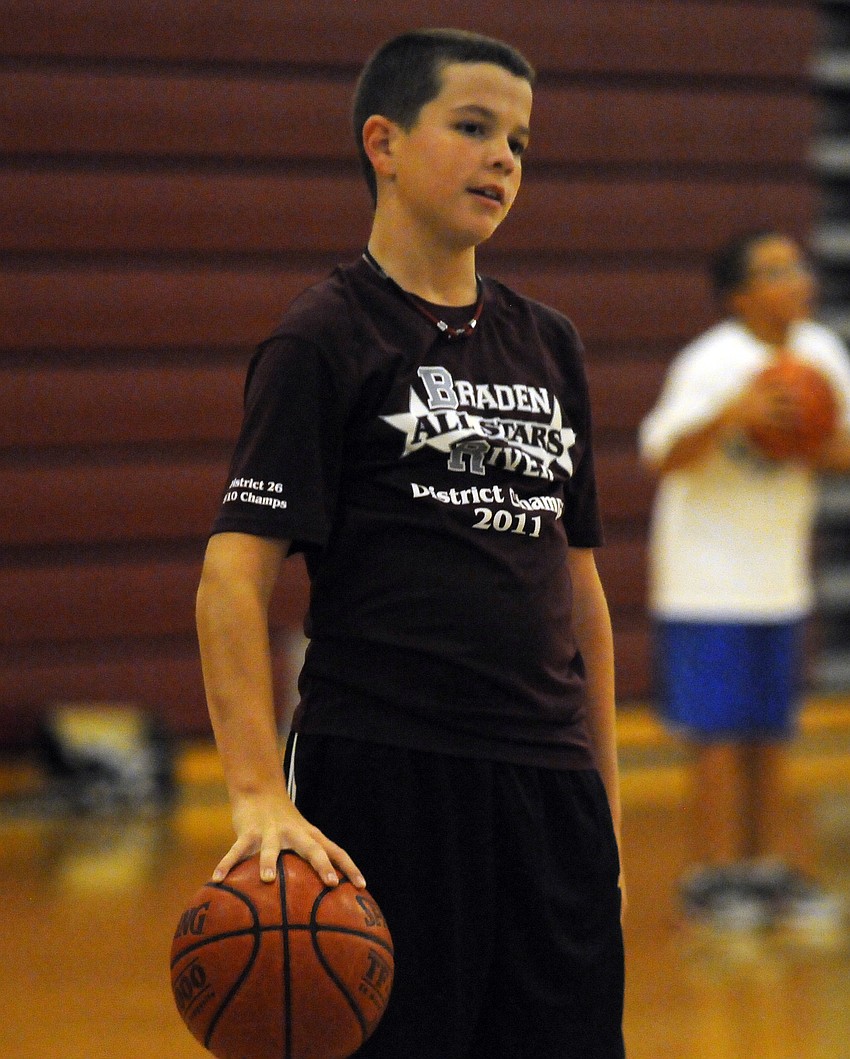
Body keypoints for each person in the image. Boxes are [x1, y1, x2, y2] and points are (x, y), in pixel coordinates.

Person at [196, 28, 625, 1058]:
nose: (501, 159)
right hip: (386, 776)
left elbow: (580, 592)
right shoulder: (327, 335)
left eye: (518, 141)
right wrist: (256, 791)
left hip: (547, 783)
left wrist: (600, 799)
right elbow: (231, 575)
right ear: (382, 142)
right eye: (472, 128)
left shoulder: (549, 342)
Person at [639, 229, 850, 931]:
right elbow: (663, 454)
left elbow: (842, 447)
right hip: (705, 579)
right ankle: (711, 874)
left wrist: (805, 432)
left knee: (770, 729)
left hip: (777, 577)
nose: (796, 279)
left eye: (796, 266)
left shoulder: (820, 354)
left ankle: (762, 869)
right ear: (739, 296)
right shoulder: (712, 362)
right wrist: (737, 416)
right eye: (775, 270)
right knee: (718, 735)